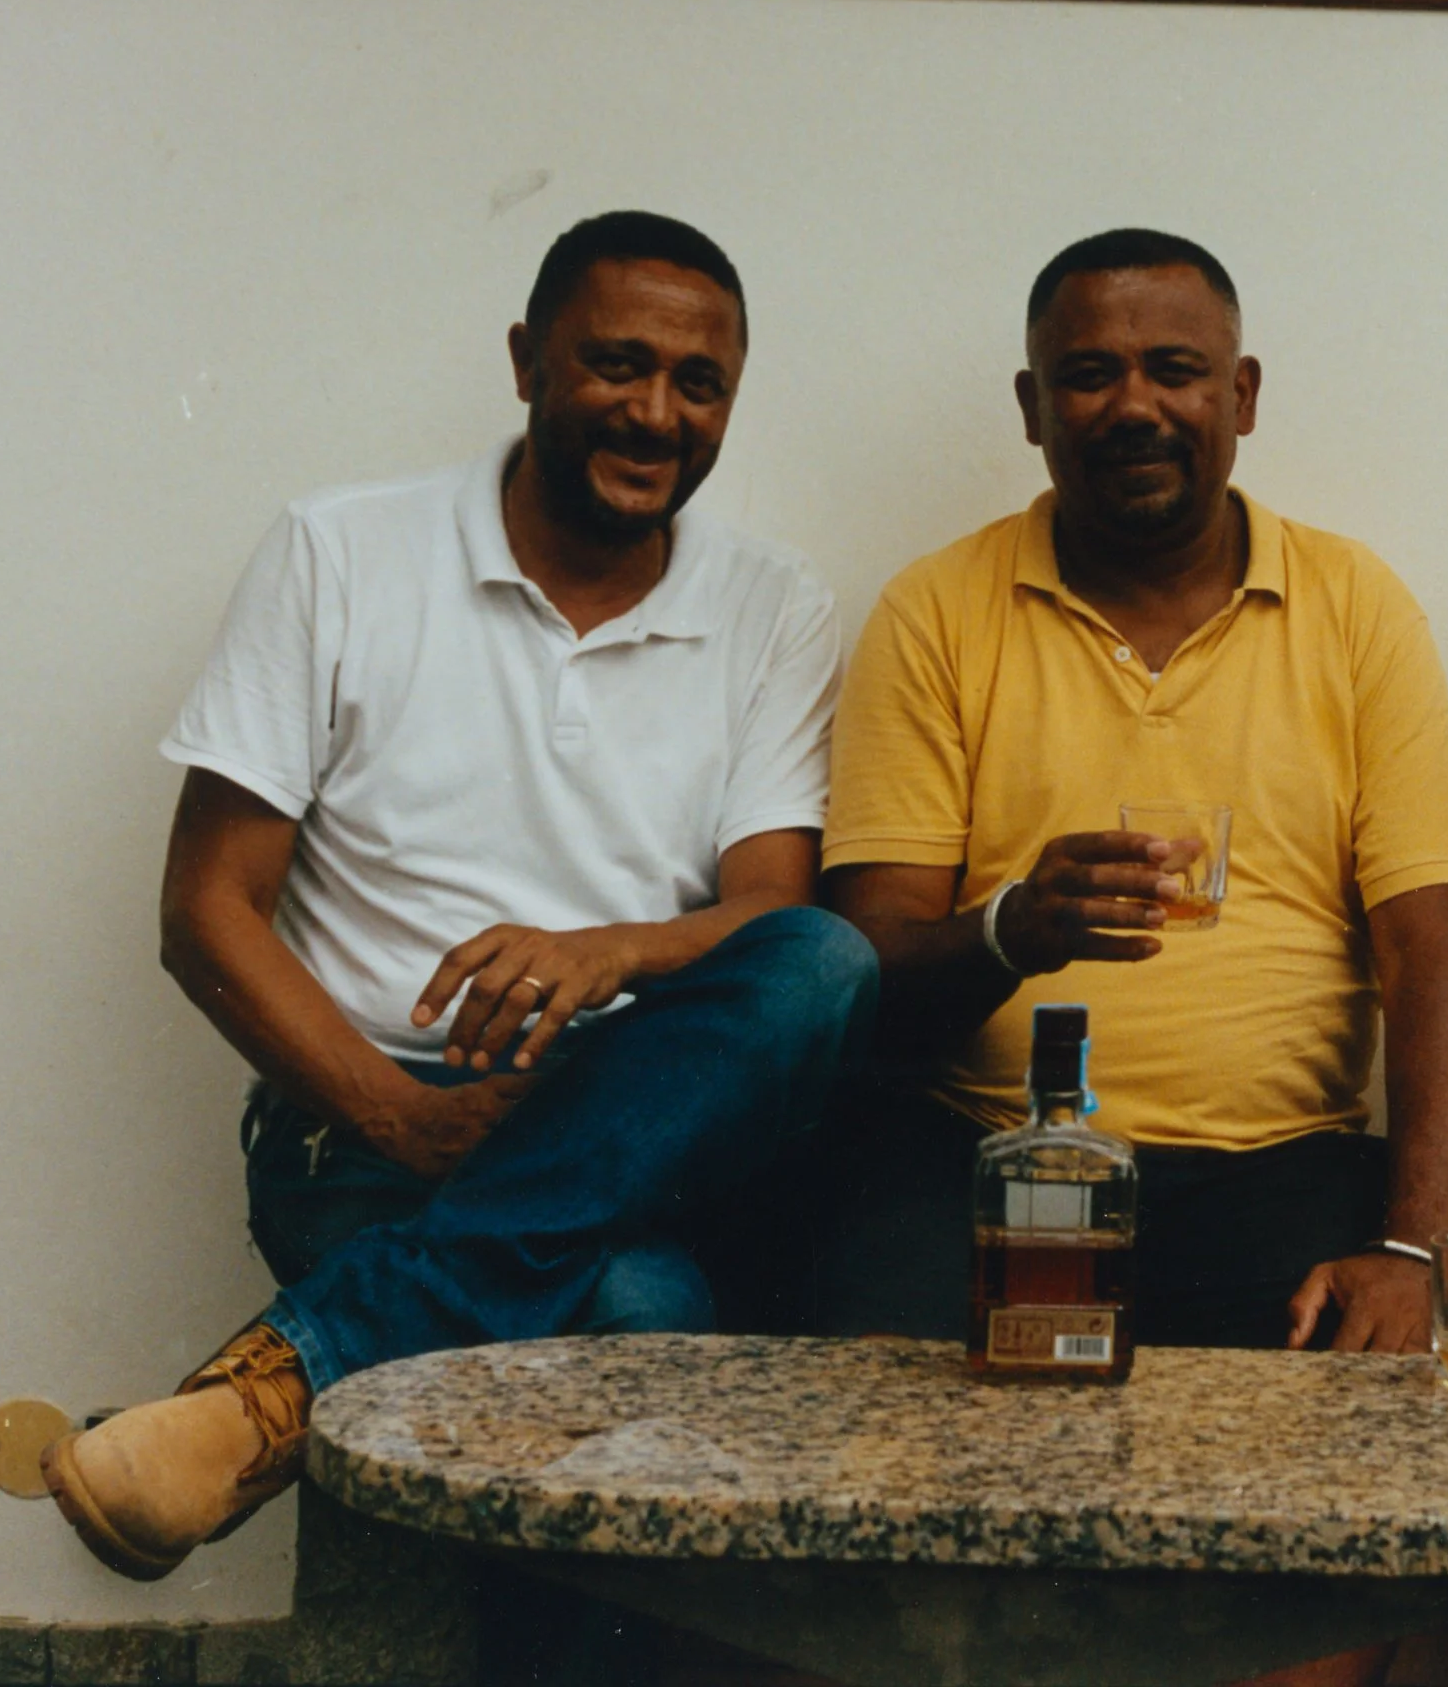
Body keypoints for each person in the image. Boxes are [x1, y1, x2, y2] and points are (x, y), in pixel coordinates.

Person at [43, 211, 877, 1582]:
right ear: (525, 361)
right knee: (643, 1309)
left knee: (825, 960)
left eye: (700, 383)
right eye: (617, 364)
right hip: (362, 1125)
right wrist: (409, 1118)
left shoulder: (773, 602)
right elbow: (205, 910)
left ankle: (268, 1393)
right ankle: (299, 1377)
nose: (657, 411)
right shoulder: (340, 551)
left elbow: (766, 921)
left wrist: (606, 952)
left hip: (634, 1109)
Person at [815, 227, 1448, 1358]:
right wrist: (1009, 930)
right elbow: (862, 969)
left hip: (1281, 1168)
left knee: (1329, 1459)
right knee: (883, 1422)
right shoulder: (936, 608)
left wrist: (1419, 1246)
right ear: (1033, 407)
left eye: (1174, 370)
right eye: (1089, 375)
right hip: (985, 1151)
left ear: (1242, 394)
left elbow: (1431, 950)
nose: (1135, 406)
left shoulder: (1355, 606)